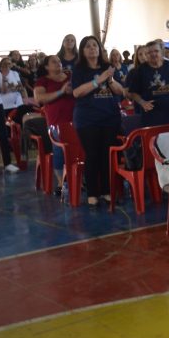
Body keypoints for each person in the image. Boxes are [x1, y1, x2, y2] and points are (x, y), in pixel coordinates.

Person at [71, 35, 126, 208]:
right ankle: (93, 193)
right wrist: (99, 80)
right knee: (92, 155)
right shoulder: (79, 70)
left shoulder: (107, 67)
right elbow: (76, 92)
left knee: (106, 155)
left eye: (95, 45)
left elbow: (120, 91)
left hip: (110, 118)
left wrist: (110, 79)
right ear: (82, 51)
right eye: (88, 46)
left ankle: (107, 191)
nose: (92, 48)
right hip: (88, 119)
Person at [32, 55, 76, 196]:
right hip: (56, 122)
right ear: (46, 66)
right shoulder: (42, 81)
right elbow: (40, 98)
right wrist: (61, 91)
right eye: (54, 62)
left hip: (76, 119)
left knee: (77, 149)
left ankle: (79, 179)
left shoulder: (70, 77)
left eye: (59, 61)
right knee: (59, 151)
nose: (58, 63)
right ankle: (61, 182)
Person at [130, 41, 169, 126]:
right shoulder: (141, 70)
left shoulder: (168, 65)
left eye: (156, 51)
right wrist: (142, 102)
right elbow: (133, 92)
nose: (153, 54)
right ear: (146, 55)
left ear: (161, 52)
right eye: (149, 52)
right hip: (151, 116)